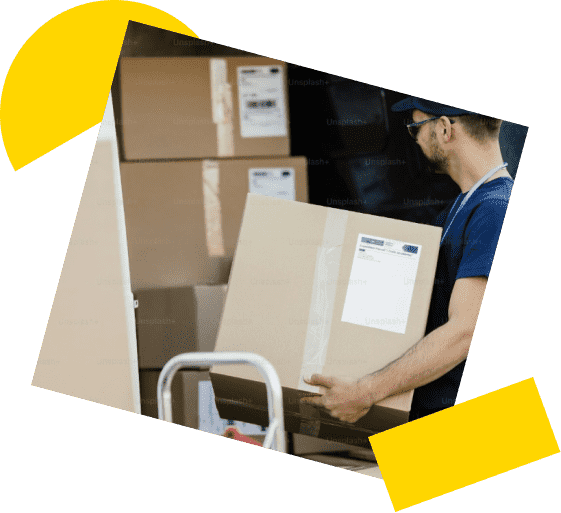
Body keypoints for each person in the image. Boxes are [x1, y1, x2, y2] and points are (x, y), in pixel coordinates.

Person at [301, 97, 514, 422]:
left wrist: (366, 391)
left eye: (416, 127)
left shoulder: (495, 210)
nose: (413, 139)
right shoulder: (464, 206)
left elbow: (466, 330)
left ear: (444, 129)